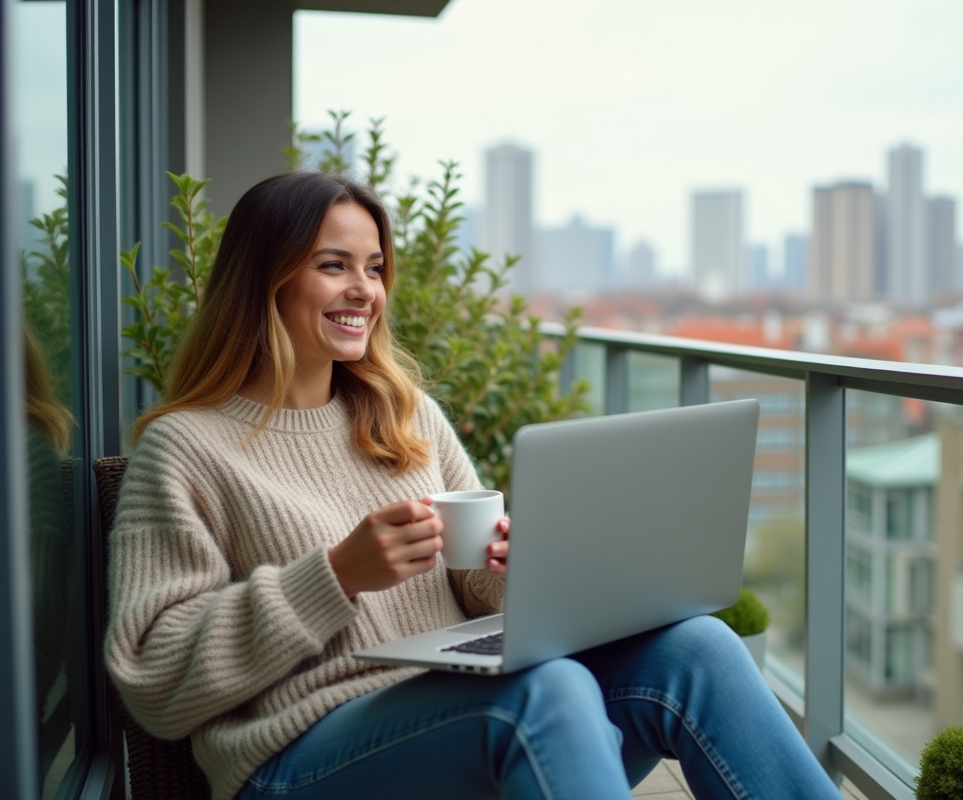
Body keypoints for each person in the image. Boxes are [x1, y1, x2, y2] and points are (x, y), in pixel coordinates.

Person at [104, 171, 843, 800]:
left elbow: (477, 597)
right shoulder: (186, 448)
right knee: (548, 692)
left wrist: (514, 570)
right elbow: (154, 677)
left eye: (374, 267)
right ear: (263, 279)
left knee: (699, 648)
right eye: (334, 265)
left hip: (454, 711)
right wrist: (333, 577)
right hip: (297, 758)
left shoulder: (403, 415)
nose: (363, 289)